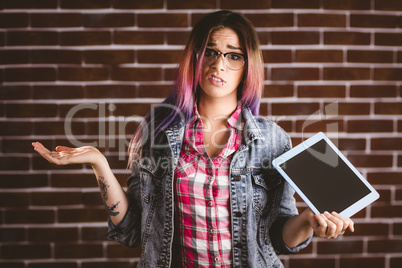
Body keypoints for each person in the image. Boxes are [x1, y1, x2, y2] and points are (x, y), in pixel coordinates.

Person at [32, 10, 354, 268]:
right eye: (210, 52)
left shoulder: (272, 139)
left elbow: (279, 237)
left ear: (247, 66)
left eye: (234, 56)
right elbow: (131, 230)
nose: (218, 64)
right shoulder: (157, 132)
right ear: (195, 58)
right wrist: (99, 163)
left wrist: (310, 222)